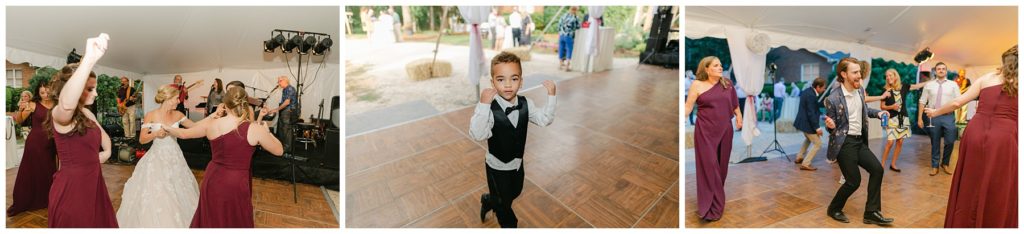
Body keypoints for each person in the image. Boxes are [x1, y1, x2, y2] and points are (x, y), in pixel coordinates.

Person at [164, 86, 284, 228]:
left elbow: (184, 134)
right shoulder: (254, 128)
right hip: (236, 182)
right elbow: (279, 151)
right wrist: (267, 131)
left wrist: (166, 128)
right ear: (245, 104)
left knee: (212, 219)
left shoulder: (212, 124)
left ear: (225, 105)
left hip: (212, 178)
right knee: (234, 220)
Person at [926, 45, 1017, 228]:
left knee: (970, 179)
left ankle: (964, 222)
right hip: (1004, 138)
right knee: (998, 183)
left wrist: (935, 112)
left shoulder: (987, 78)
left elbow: (958, 102)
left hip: (975, 132)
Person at [469, 52, 557, 228]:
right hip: (497, 166)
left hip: (517, 163)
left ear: (521, 81)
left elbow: (544, 119)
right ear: (493, 83)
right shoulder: (490, 109)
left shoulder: (526, 103)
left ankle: (488, 200)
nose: (508, 85)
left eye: (514, 79)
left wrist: (552, 96)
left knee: (514, 192)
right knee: (505, 209)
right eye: (501, 80)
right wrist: (483, 105)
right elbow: (477, 134)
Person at [46, 33, 118, 227]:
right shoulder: (59, 114)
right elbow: (67, 105)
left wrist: (105, 154)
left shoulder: (88, 114)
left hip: (94, 183)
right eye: (90, 88)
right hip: (72, 188)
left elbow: (106, 142)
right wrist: (89, 60)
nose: (96, 93)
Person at [116, 85, 204, 227]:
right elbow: (142, 139)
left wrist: (213, 117)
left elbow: (196, 127)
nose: (178, 101)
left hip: (175, 157)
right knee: (159, 191)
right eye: (176, 98)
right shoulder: (151, 115)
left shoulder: (179, 115)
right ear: (168, 99)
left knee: (177, 191)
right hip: (156, 158)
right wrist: (156, 134)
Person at [822, 57, 892, 226]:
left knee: (877, 170)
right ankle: (833, 209)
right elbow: (831, 127)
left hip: (859, 141)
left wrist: (879, 113)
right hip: (844, 143)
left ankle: (871, 212)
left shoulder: (860, 91)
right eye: (855, 72)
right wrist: (830, 126)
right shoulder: (833, 99)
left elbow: (864, 109)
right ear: (844, 74)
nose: (859, 76)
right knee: (854, 181)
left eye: (859, 72)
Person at [683, 56, 741, 222]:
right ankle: (711, 205)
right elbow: (688, 106)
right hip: (705, 132)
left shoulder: (727, 84)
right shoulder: (697, 84)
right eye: (716, 65)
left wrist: (739, 117)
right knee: (709, 167)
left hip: (725, 130)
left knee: (721, 167)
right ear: (706, 69)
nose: (720, 67)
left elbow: (735, 104)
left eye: (721, 65)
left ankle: (715, 197)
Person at [7, 80, 57, 217]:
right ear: (38, 93)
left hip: (52, 143)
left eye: (47, 91)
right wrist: (22, 108)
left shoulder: (57, 104)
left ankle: (45, 199)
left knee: (48, 171)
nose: (45, 94)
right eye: (42, 92)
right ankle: (27, 200)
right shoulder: (32, 105)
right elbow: (18, 120)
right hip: (35, 143)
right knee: (31, 171)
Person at [918, 62, 960, 176]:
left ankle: (945, 163)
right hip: (933, 115)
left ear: (946, 71)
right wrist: (919, 118)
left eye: (943, 69)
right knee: (935, 141)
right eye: (939, 69)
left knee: (950, 140)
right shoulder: (929, 85)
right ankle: (935, 165)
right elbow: (922, 101)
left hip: (948, 116)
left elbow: (959, 101)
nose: (941, 70)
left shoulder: (953, 85)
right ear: (935, 71)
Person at [879, 69, 923, 172]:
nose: (888, 77)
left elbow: (917, 86)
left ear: (895, 76)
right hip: (891, 118)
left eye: (890, 75)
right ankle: (881, 165)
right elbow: (882, 106)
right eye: (887, 76)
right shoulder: (885, 91)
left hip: (903, 118)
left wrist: (931, 81)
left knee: (900, 142)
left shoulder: (904, 87)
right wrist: (892, 107)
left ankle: (893, 164)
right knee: (890, 142)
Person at [793, 77, 827, 171]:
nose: (824, 89)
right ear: (818, 87)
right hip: (807, 123)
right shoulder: (811, 95)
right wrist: (818, 128)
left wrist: (822, 110)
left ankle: (799, 156)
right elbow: (811, 113)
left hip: (802, 122)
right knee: (818, 143)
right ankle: (806, 163)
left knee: (808, 139)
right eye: (823, 88)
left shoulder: (807, 91)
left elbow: (812, 107)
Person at [263, 76, 298, 151]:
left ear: (286, 81)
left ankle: (287, 149)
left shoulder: (290, 88)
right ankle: (283, 146)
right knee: (283, 129)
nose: (278, 83)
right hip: (285, 111)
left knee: (286, 130)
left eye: (280, 81)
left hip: (289, 111)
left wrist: (276, 109)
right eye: (278, 81)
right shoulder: (285, 89)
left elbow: (287, 102)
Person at [557, 6, 581, 71]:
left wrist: (560, 32)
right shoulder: (575, 17)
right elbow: (578, 27)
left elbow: (559, 24)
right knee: (569, 49)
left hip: (561, 35)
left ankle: (560, 64)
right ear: (576, 10)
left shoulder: (564, 15)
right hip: (569, 36)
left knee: (561, 49)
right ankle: (567, 66)